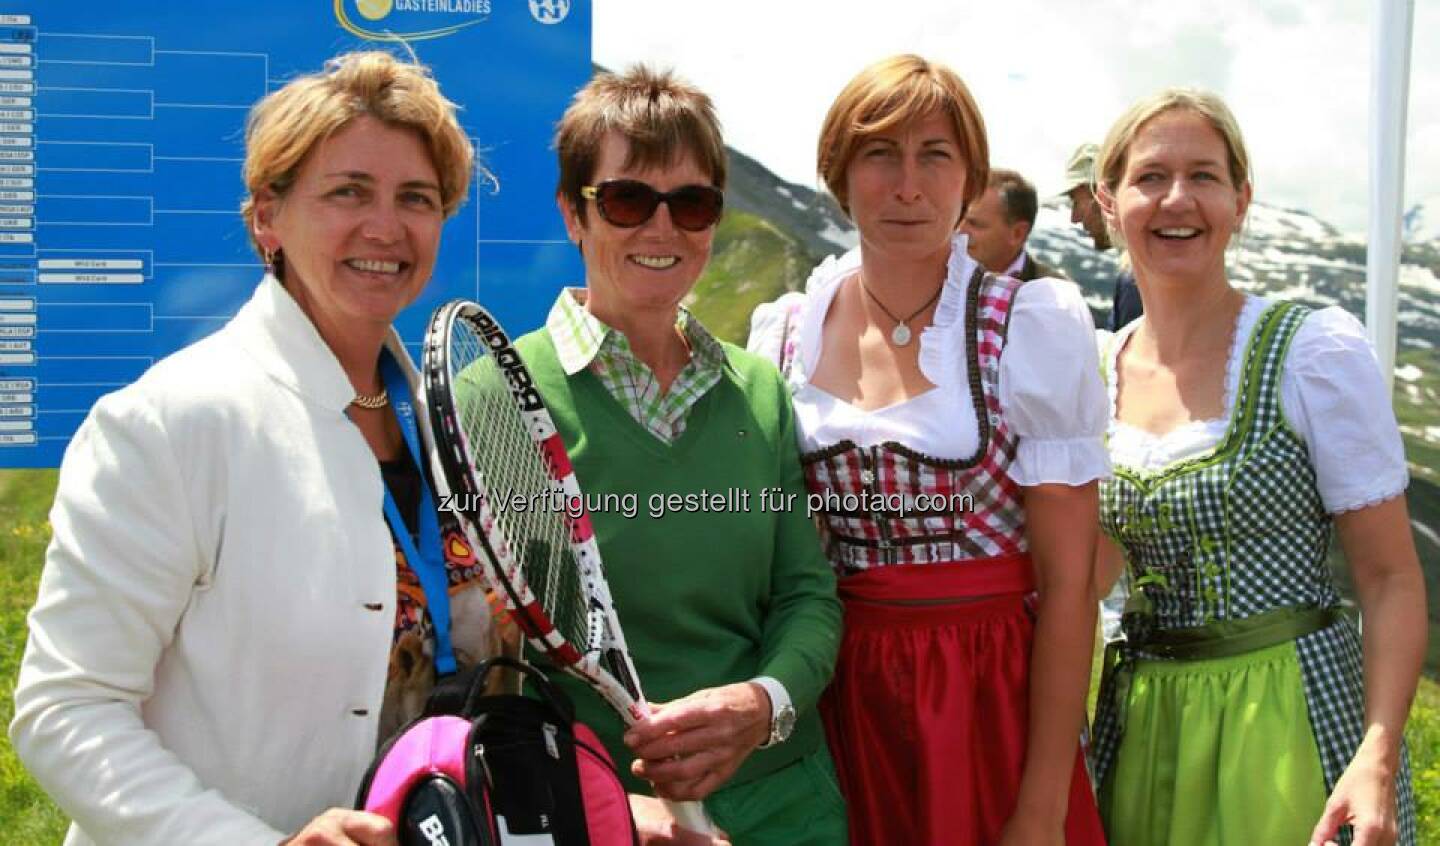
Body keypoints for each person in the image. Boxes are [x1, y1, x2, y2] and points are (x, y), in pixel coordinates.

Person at [9, 51, 492, 845]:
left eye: (417, 198)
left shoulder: (446, 427)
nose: (385, 226)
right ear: (267, 216)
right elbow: (66, 710)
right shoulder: (169, 423)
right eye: (348, 192)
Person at [748, 54, 1108, 845]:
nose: (907, 185)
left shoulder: (1028, 325)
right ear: (839, 175)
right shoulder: (788, 330)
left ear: (968, 177)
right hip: (842, 694)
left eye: (934, 155)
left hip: (991, 696)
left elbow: (1070, 586)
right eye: (880, 154)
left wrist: (1043, 805)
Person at [515, 65, 845, 845]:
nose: (662, 230)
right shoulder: (500, 393)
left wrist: (760, 705)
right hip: (605, 814)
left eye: (692, 204)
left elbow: (807, 595)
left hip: (788, 804)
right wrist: (601, 793)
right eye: (628, 200)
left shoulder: (761, 390)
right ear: (574, 212)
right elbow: (493, 647)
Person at [1088, 88, 1424, 846]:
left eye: (1204, 176)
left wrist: (1377, 751)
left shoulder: (1309, 352)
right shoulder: (1093, 369)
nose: (1178, 199)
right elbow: (1087, 579)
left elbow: (1389, 577)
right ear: (1109, 201)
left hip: (1292, 718)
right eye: (1150, 177)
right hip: (1142, 724)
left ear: (1241, 200)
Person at [1064, 142, 1142, 331]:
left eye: (1076, 202)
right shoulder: (1138, 268)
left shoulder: (1138, 277)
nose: (1074, 218)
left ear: (1100, 196)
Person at [960, 167, 1066, 280]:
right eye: (959, 218)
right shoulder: (944, 271)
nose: (959, 229)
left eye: (975, 223)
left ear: (1018, 233)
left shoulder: (1053, 293)